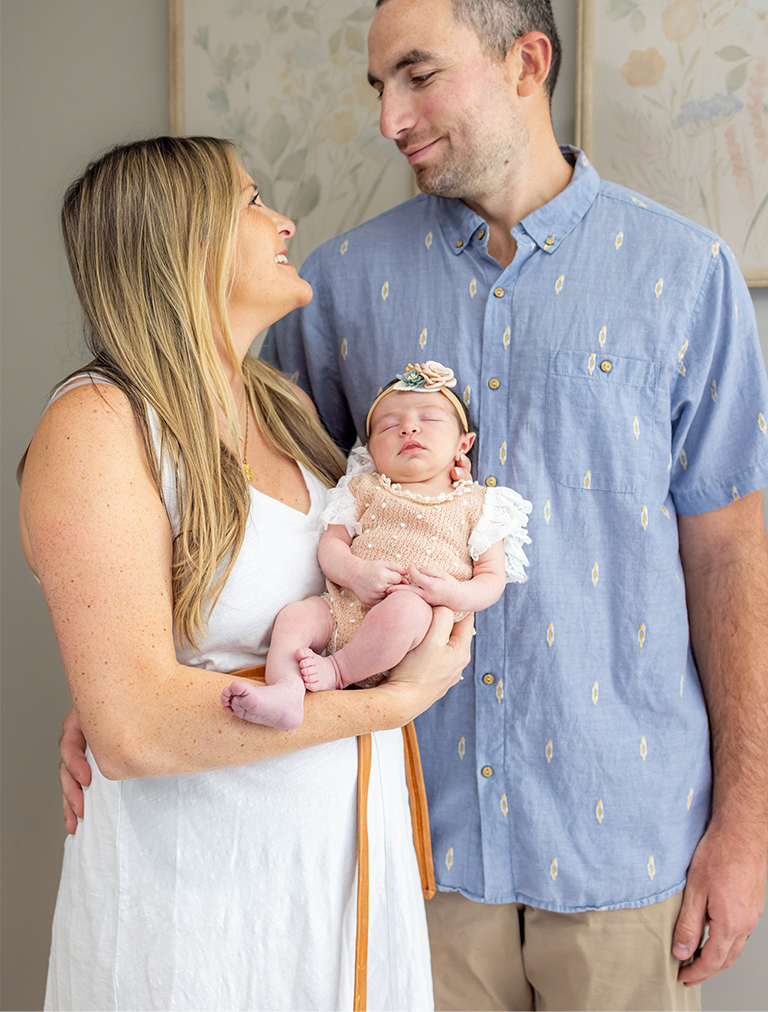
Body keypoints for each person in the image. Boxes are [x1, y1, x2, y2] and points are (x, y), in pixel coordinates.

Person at [254, 0, 768, 1011]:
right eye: (378, 90)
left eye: (417, 74)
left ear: (526, 61)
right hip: (406, 835)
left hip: (621, 842)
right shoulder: (340, 287)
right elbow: (258, 521)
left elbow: (727, 556)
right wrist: (123, 670)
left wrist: (743, 826)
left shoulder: (684, 275)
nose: (391, 118)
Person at [21, 136, 472, 1012]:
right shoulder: (98, 424)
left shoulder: (288, 409)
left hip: (335, 869)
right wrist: (389, 703)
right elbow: (138, 729)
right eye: (252, 199)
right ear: (184, 239)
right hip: (198, 898)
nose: (283, 219)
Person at [221, 360, 531, 728]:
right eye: (388, 425)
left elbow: (492, 579)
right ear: (369, 450)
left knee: (405, 609)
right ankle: (286, 691)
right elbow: (331, 546)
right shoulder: (361, 489)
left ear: (463, 444)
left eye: (429, 419)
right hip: (342, 609)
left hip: (411, 632)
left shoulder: (481, 504)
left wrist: (455, 594)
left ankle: (338, 671)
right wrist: (355, 573)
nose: (408, 427)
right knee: (295, 617)